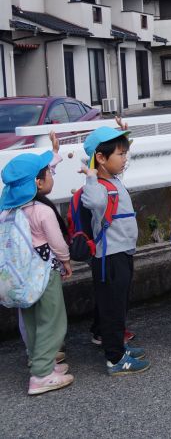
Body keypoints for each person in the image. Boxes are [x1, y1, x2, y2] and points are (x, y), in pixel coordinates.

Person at [2, 146, 74, 395]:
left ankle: (40, 363)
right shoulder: (42, 210)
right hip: (45, 273)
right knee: (52, 320)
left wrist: (54, 153)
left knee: (32, 321)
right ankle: (42, 375)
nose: (52, 176)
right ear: (38, 183)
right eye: (49, 173)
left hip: (22, 276)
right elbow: (57, 243)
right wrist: (66, 260)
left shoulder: (9, 210)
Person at [80, 125, 149, 375]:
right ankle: (115, 358)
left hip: (121, 252)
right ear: (100, 158)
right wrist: (90, 176)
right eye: (120, 154)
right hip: (109, 256)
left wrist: (122, 133)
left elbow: (117, 161)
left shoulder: (113, 180)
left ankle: (116, 345)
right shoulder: (97, 185)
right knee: (113, 308)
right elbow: (93, 201)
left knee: (117, 304)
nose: (124, 159)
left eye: (125, 153)